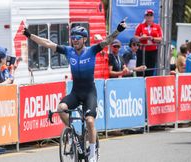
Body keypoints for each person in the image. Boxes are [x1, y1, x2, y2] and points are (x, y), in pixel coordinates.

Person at [22, 21, 126, 162]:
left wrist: (118, 29)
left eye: (78, 38)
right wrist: (30, 35)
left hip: (90, 93)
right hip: (75, 92)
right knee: (61, 108)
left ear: (84, 39)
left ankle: (93, 154)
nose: (75, 40)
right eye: (73, 38)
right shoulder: (68, 51)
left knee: (89, 121)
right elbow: (47, 43)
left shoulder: (92, 50)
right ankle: (72, 132)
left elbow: (108, 41)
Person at [134, 9, 163, 77]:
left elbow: (160, 39)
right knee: (140, 69)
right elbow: (135, 37)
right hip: (142, 51)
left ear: (153, 17)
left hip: (153, 51)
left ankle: (148, 83)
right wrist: (142, 38)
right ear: (145, 17)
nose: (149, 17)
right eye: (147, 15)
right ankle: (139, 82)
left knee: (150, 69)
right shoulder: (140, 26)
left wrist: (152, 38)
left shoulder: (157, 26)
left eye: (151, 15)